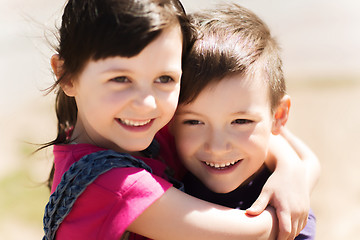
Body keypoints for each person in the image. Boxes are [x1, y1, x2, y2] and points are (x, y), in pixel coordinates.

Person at [41, 0, 317, 239]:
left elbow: (264, 132)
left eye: (165, 78)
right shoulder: (110, 184)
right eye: (120, 79)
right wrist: (297, 192)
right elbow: (251, 232)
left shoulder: (147, 130)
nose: (147, 103)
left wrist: (289, 168)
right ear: (66, 75)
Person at [169, 3, 320, 240]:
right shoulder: (160, 170)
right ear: (169, 118)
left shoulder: (288, 209)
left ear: (278, 116)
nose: (217, 147)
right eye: (194, 122)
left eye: (240, 121)